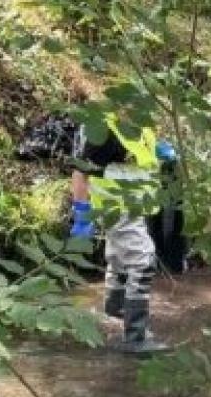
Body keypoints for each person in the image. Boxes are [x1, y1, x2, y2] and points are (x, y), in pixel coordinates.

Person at [69, 117, 172, 354]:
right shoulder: (105, 129)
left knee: (119, 261)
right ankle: (135, 337)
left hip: (131, 206)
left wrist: (156, 150)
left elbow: (133, 157)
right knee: (142, 261)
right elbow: (81, 171)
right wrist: (81, 212)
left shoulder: (140, 123)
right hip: (117, 207)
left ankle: (114, 315)